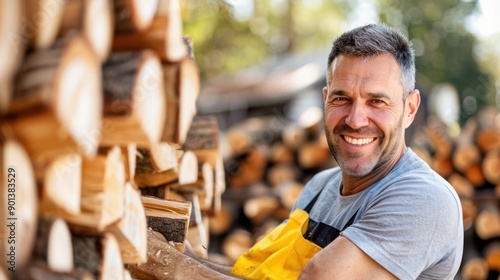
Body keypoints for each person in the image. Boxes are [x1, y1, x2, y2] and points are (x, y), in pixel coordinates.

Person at [152, 23, 464, 280]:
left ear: (410, 109)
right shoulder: (319, 187)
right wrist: (183, 258)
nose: (356, 120)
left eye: (377, 102)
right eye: (342, 99)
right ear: (325, 99)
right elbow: (259, 276)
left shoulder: (425, 199)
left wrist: (166, 264)